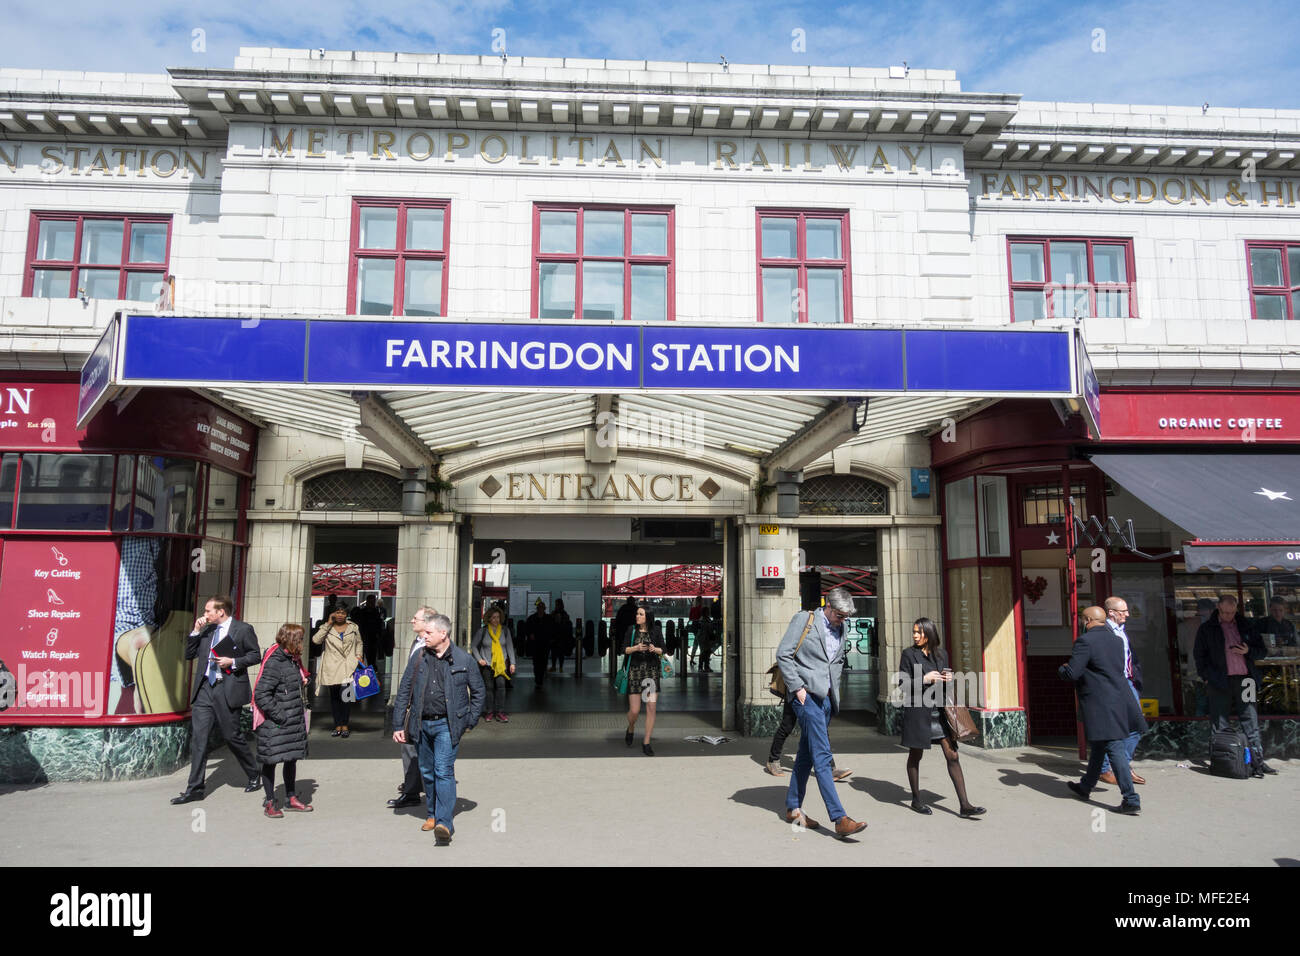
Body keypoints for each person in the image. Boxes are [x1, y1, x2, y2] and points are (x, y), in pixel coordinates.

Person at [774, 587, 868, 839]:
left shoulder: (843, 627)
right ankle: (839, 818)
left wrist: (832, 693)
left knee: (805, 755)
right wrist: (798, 689)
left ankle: (793, 807)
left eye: (846, 616)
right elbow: (783, 653)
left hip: (826, 699)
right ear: (828, 607)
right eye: (839, 615)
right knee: (823, 756)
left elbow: (836, 661)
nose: (843, 620)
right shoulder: (804, 620)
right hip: (805, 697)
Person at [393, 613, 485, 844]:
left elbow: (479, 692)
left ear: (443, 634)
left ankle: (444, 822)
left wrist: (469, 720)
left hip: (448, 724)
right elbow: (404, 690)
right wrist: (397, 725)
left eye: (428, 633)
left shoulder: (464, 660)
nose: (424, 636)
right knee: (427, 771)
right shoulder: (419, 658)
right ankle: (433, 814)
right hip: (421, 723)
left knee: (443, 770)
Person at [171, 595, 263, 804]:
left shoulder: (243, 629)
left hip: (227, 688)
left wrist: (233, 661)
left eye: (207, 611)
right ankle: (194, 789)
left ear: (221, 611)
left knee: (232, 736)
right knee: (199, 740)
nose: (205, 615)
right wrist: (195, 630)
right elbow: (188, 654)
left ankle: (253, 772)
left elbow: (255, 655)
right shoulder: (207, 631)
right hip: (205, 689)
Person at [1060, 606, 1147, 814]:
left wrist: (1062, 668)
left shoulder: (1085, 641)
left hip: (1100, 704)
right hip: (1117, 699)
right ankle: (1085, 786)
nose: (1082, 623)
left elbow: (1073, 673)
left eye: (1083, 619)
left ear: (1088, 620)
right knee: (1099, 746)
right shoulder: (1117, 641)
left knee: (1114, 748)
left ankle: (1131, 798)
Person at [897, 618, 984, 817]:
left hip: (941, 712)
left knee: (952, 755)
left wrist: (949, 679)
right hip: (918, 711)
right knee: (915, 755)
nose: (915, 635)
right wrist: (924, 679)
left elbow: (948, 683)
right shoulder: (909, 654)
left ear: (929, 634)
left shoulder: (941, 654)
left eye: (919, 632)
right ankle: (916, 800)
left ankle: (965, 805)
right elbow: (903, 685)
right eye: (914, 632)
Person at [1194, 594, 1275, 777]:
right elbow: (1199, 656)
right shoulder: (1208, 629)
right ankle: (1223, 761)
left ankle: (1257, 762)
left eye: (1231, 612)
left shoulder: (1247, 626)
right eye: (1225, 612)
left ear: (1236, 609)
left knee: (1251, 720)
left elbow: (1261, 651)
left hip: (1246, 679)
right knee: (1219, 721)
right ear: (1219, 609)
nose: (1228, 616)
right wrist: (1206, 677)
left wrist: (1248, 651)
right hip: (1219, 680)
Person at [254, 623, 312, 817]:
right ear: (292, 640)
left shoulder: (292, 660)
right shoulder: (275, 662)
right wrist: (280, 716)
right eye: (301, 639)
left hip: (292, 721)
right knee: (270, 761)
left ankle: (291, 797)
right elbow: (262, 694)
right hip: (277, 723)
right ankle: (270, 802)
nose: (303, 643)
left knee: (291, 759)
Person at [388, 607, 436, 810]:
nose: (411, 621)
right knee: (411, 748)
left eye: (415, 618)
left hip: (420, 706)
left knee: (414, 748)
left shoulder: (428, 646)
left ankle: (413, 791)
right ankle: (412, 786)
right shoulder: (416, 642)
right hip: (412, 705)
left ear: (427, 622)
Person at [1096, 596, 1146, 785]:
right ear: (1111, 613)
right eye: (1123, 611)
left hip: (1128, 683)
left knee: (1136, 726)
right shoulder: (1104, 631)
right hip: (1113, 685)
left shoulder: (1122, 631)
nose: (1127, 614)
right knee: (1113, 727)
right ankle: (1106, 769)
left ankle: (1122, 765)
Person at [311, 604, 364, 738]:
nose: (340, 615)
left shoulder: (353, 627)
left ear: (347, 614)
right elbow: (316, 640)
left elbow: (359, 642)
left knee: (346, 696)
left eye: (343, 612)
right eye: (337, 612)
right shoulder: (326, 627)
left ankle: (345, 724)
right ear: (332, 614)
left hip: (348, 665)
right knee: (334, 697)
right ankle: (337, 725)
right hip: (332, 666)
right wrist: (328, 624)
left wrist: (358, 656)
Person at [622, 606, 664, 755]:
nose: (637, 616)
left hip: (651, 674)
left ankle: (646, 742)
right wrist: (636, 648)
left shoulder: (656, 631)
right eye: (637, 614)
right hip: (635, 673)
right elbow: (624, 649)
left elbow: (663, 650)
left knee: (651, 708)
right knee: (634, 710)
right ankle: (631, 726)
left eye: (641, 614)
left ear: (648, 616)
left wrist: (654, 649)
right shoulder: (631, 630)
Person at [472, 605, 516, 722]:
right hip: (487, 665)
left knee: (501, 687)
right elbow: (474, 646)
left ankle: (500, 712)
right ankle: (489, 711)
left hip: (501, 665)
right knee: (489, 688)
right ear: (488, 619)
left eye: (497, 617)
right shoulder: (483, 631)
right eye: (493, 617)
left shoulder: (505, 631)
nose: (496, 620)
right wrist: (479, 659)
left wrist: (512, 663)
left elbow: (510, 648)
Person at [1178, 598, 1216, 717]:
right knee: (1216, 704)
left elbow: (1182, 648)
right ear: (1212, 610)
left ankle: (1199, 730)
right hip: (1216, 671)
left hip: (1195, 670)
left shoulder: (1185, 626)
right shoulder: (1218, 624)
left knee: (1200, 703)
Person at [350, 593, 384, 666]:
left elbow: (379, 626)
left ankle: (370, 672)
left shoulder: (376, 612)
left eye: (373, 602)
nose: (372, 603)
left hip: (372, 639)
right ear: (367, 602)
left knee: (371, 659)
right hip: (363, 637)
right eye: (370, 602)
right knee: (361, 657)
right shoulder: (363, 612)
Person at [527, 599, 554, 688]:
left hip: (545, 644)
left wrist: (550, 639)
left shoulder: (548, 619)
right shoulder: (532, 618)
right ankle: (538, 678)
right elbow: (527, 629)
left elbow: (552, 630)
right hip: (536, 644)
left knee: (543, 661)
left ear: (544, 609)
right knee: (536, 662)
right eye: (539, 608)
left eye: (542, 608)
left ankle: (540, 677)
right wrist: (530, 634)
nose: (540, 609)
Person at [551, 599, 572, 673]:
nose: (556, 606)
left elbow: (566, 625)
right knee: (554, 653)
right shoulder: (556, 614)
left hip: (561, 636)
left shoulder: (563, 614)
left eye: (557, 604)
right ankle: (554, 666)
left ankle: (560, 667)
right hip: (555, 636)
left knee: (560, 653)